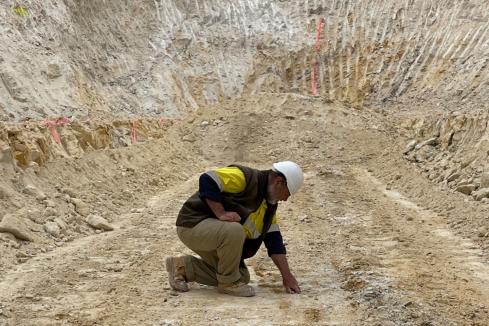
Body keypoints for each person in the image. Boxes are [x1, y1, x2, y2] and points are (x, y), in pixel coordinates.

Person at [165, 161, 304, 297]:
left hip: (214, 236)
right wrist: (221, 213)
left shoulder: (268, 207)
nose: (285, 199)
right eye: (287, 193)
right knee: (235, 230)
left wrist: (287, 276)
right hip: (192, 225)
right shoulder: (247, 178)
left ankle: (182, 267)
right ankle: (228, 284)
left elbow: (275, 244)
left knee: (241, 277)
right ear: (279, 182)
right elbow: (208, 179)